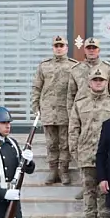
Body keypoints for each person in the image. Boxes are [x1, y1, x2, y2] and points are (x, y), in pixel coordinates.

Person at [70, 65, 110, 218]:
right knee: (88, 188)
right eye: (95, 80)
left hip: (108, 156)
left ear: (107, 82)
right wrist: (75, 152)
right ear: (89, 82)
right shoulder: (80, 104)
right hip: (86, 153)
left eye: (101, 80)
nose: (98, 83)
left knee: (105, 189)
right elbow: (73, 129)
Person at [31, 35, 77, 186]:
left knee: (65, 143)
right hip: (49, 110)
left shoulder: (73, 66)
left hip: (66, 110)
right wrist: (35, 105)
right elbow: (37, 87)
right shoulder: (44, 66)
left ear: (66, 48)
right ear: (53, 48)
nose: (59, 48)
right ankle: (53, 170)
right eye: (56, 46)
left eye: (61, 45)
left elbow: (77, 89)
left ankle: (63, 171)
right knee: (51, 143)